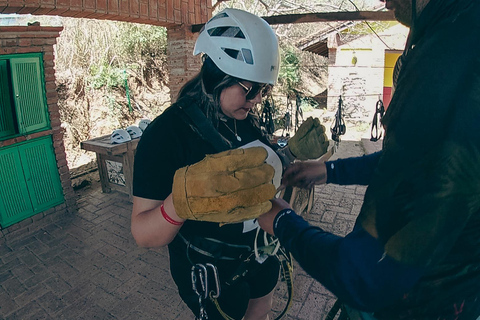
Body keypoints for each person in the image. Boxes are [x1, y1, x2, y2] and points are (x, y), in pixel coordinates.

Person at [258, 0, 480, 319]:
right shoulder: (459, 33)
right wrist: (330, 171)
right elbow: (415, 167)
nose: (384, 1)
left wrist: (283, 222)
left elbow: (365, 276)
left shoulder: (451, 64)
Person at [130, 8, 328, 320]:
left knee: (261, 311)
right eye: (249, 88)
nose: (257, 99)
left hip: (261, 255)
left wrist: (287, 157)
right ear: (216, 72)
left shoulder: (243, 117)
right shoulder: (166, 135)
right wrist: (180, 204)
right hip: (213, 274)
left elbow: (257, 177)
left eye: (264, 90)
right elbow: (142, 233)